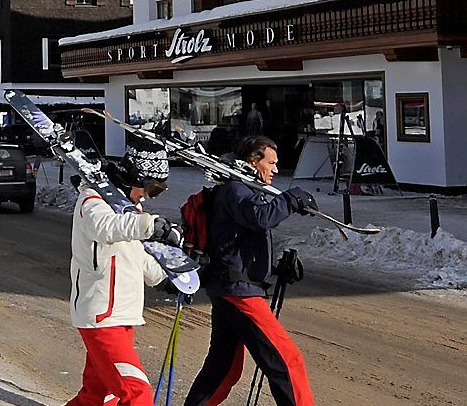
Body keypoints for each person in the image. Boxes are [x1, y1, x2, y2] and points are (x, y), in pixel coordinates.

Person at [184, 135, 318, 406]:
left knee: (223, 367)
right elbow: (260, 217)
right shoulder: (236, 189)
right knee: (287, 361)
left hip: (231, 285)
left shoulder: (239, 189)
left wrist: (272, 266)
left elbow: (239, 237)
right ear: (253, 161)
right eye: (272, 162)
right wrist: (292, 199)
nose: (276, 170)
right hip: (238, 292)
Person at [65, 138, 182, 406]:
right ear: (134, 177)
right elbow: (107, 228)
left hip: (122, 314)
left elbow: (134, 254)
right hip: (101, 315)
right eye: (150, 188)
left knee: (96, 396)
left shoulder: (129, 210)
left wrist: (165, 279)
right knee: (136, 393)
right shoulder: (93, 200)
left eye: (158, 191)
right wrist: (151, 225)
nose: (147, 196)